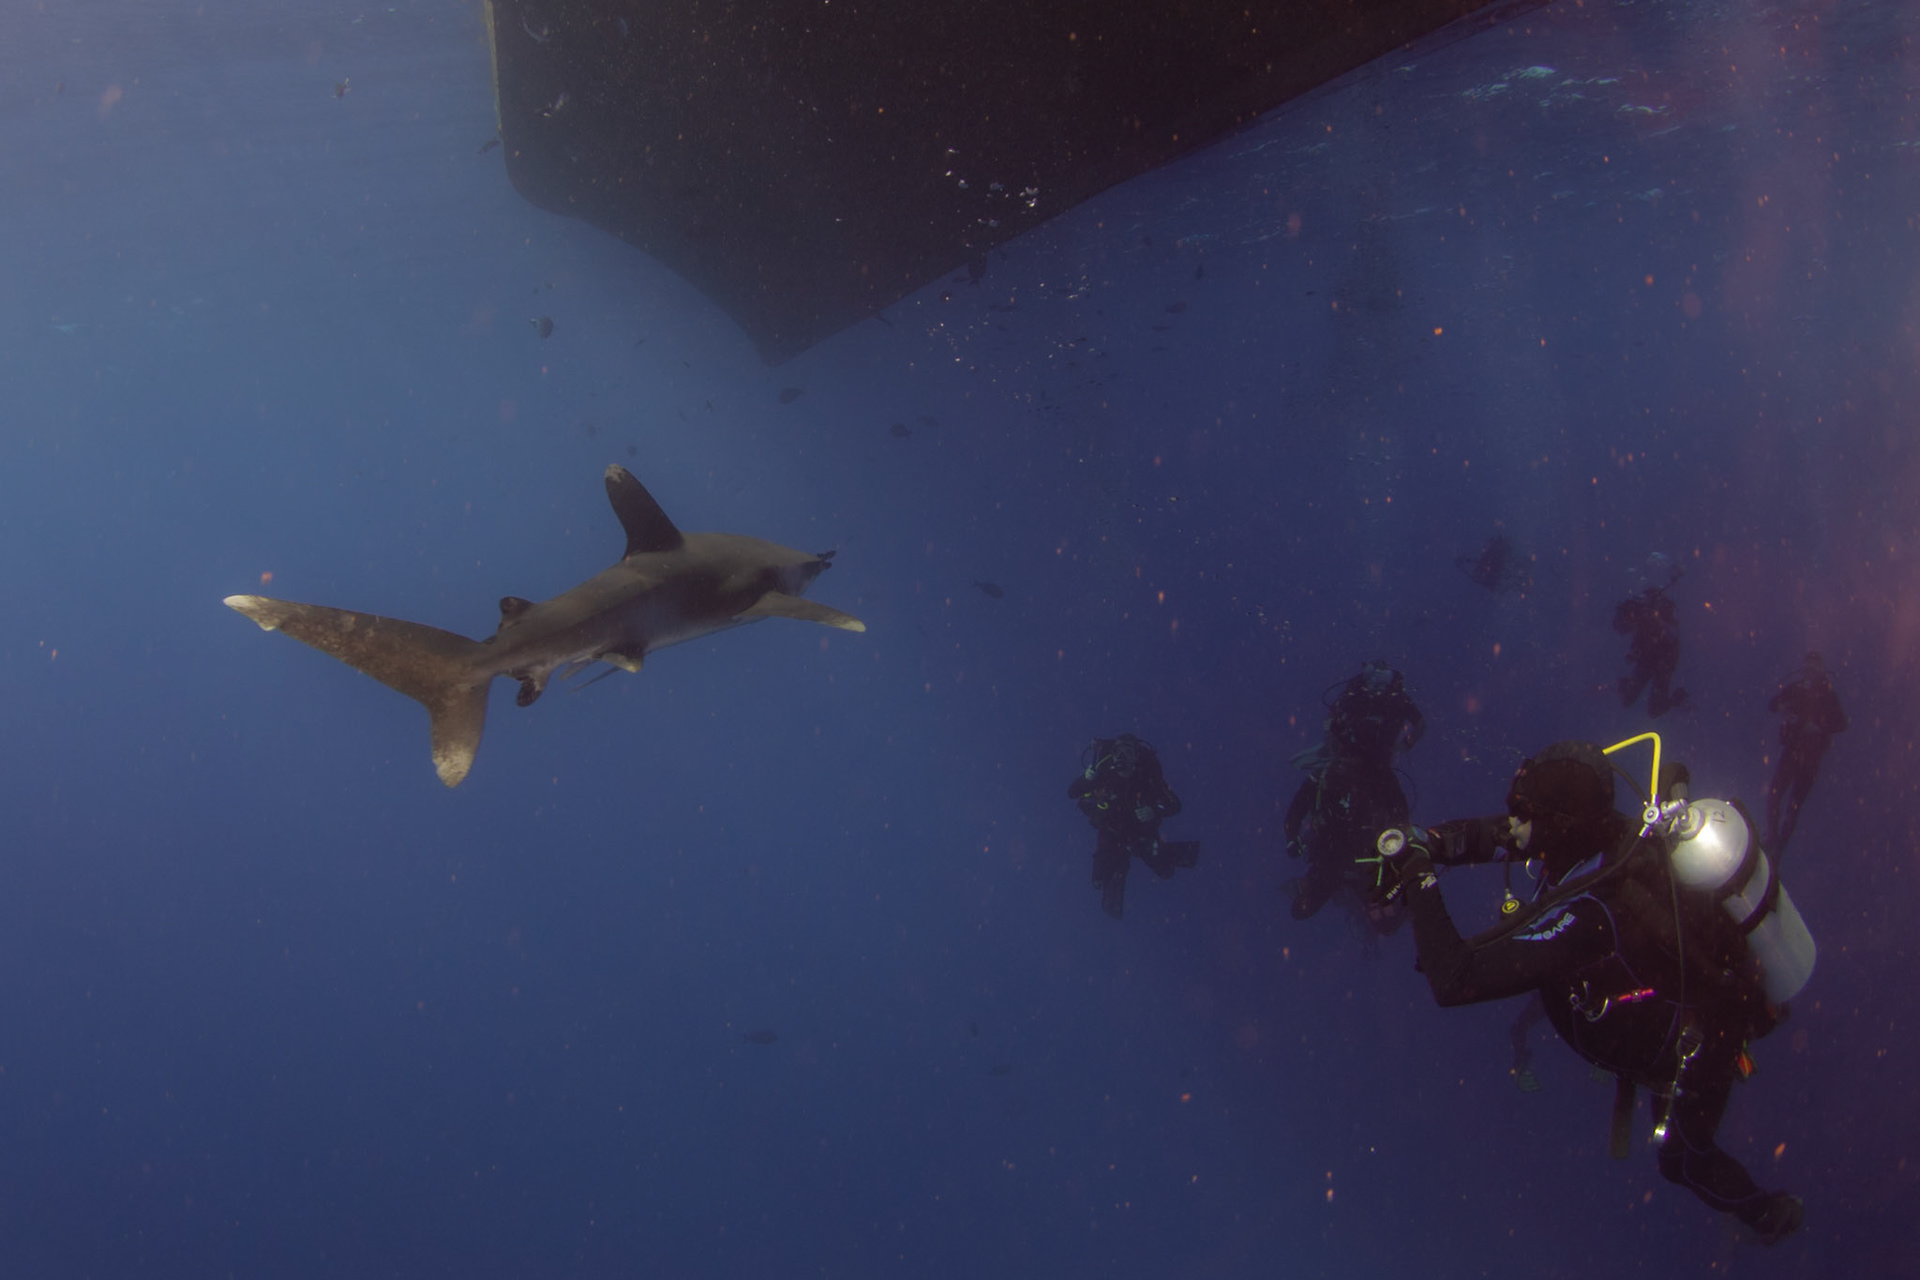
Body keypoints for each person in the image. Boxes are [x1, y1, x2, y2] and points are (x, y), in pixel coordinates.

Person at [1365, 741, 1804, 1244]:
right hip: (1672, 1003)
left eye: (1523, 812)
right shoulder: (1598, 834)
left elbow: (1454, 979)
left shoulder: (1596, 912)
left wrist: (1415, 868)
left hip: (1700, 1042)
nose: (1512, 822)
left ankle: (1770, 1216)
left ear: (1560, 823)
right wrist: (1426, 840)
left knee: (1682, 1160)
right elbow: (1499, 836)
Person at [1284, 662, 1424, 929]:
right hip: (1338, 862)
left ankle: (1357, 902)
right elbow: (1296, 810)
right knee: (1301, 910)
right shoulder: (1332, 779)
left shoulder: (1378, 782)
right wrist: (1293, 838)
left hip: (1361, 864)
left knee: (1387, 925)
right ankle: (1355, 900)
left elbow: (1402, 824)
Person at [1069, 734, 1199, 920]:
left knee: (1165, 871)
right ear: (1112, 754)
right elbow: (1072, 793)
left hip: (1140, 831)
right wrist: (1086, 779)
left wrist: (1154, 811)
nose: (1122, 758)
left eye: (1128, 752)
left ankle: (1173, 853)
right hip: (1112, 828)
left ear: (1136, 756)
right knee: (1099, 878)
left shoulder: (1147, 777)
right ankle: (1114, 883)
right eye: (1117, 752)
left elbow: (1175, 805)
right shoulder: (1104, 772)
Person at [1765, 652, 1847, 858]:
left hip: (1810, 758)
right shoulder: (1795, 689)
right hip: (1791, 751)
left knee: (1793, 806)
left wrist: (1818, 727)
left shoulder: (1827, 695)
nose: (1809, 672)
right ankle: (1772, 839)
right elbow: (1772, 704)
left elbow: (1841, 723)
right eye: (1807, 668)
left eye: (1814, 668)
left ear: (1820, 670)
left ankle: (1779, 850)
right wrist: (1783, 707)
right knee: (1775, 796)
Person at [1612, 569, 1689, 717]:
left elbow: (1665, 635)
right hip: (1650, 657)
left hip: (1664, 657)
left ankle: (1678, 698)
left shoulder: (1651, 611)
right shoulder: (1640, 614)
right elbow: (1628, 631)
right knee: (1629, 700)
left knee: (1654, 708)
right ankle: (1675, 699)